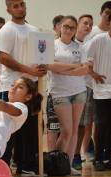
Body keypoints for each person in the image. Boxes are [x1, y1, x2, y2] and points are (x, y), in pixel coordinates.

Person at [0, 0, 47, 176]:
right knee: (12, 129)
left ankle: (25, 164)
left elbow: (41, 57)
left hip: (32, 87)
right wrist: (29, 71)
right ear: (8, 9)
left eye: (21, 4)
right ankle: (11, 163)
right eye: (15, 6)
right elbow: (4, 58)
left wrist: (43, 67)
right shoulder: (7, 30)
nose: (19, 8)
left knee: (31, 127)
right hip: (12, 86)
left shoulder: (34, 30)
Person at [84, 10, 111, 171]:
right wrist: (92, 73)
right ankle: (98, 159)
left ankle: (108, 159)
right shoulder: (98, 39)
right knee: (101, 125)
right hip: (101, 91)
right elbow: (84, 56)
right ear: (109, 23)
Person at [47, 15, 89, 176]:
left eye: (72, 27)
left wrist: (62, 68)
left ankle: (68, 165)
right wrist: (74, 66)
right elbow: (50, 65)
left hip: (78, 91)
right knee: (65, 130)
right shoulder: (53, 45)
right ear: (59, 27)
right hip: (60, 92)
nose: (68, 30)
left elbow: (85, 70)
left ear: (75, 29)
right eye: (66, 26)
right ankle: (58, 164)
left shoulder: (79, 47)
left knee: (73, 131)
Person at [81, 1, 111, 163]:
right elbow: (83, 57)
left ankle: (101, 153)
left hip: (109, 88)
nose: (109, 17)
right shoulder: (92, 33)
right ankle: (85, 151)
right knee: (87, 121)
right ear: (101, 13)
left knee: (101, 123)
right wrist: (92, 73)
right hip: (89, 84)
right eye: (107, 13)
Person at [72, 14, 93, 170]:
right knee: (67, 126)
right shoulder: (67, 43)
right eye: (85, 23)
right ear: (77, 25)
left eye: (90, 24)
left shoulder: (88, 45)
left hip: (84, 87)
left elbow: (86, 69)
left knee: (81, 125)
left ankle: (77, 154)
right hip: (65, 89)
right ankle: (65, 154)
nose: (88, 26)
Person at [46, 15, 64, 154]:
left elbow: (82, 68)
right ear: (55, 28)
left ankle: (65, 160)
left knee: (68, 129)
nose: (63, 27)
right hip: (54, 92)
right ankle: (52, 158)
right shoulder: (50, 45)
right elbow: (50, 66)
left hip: (71, 92)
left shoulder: (76, 46)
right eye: (60, 24)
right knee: (53, 126)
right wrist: (72, 66)